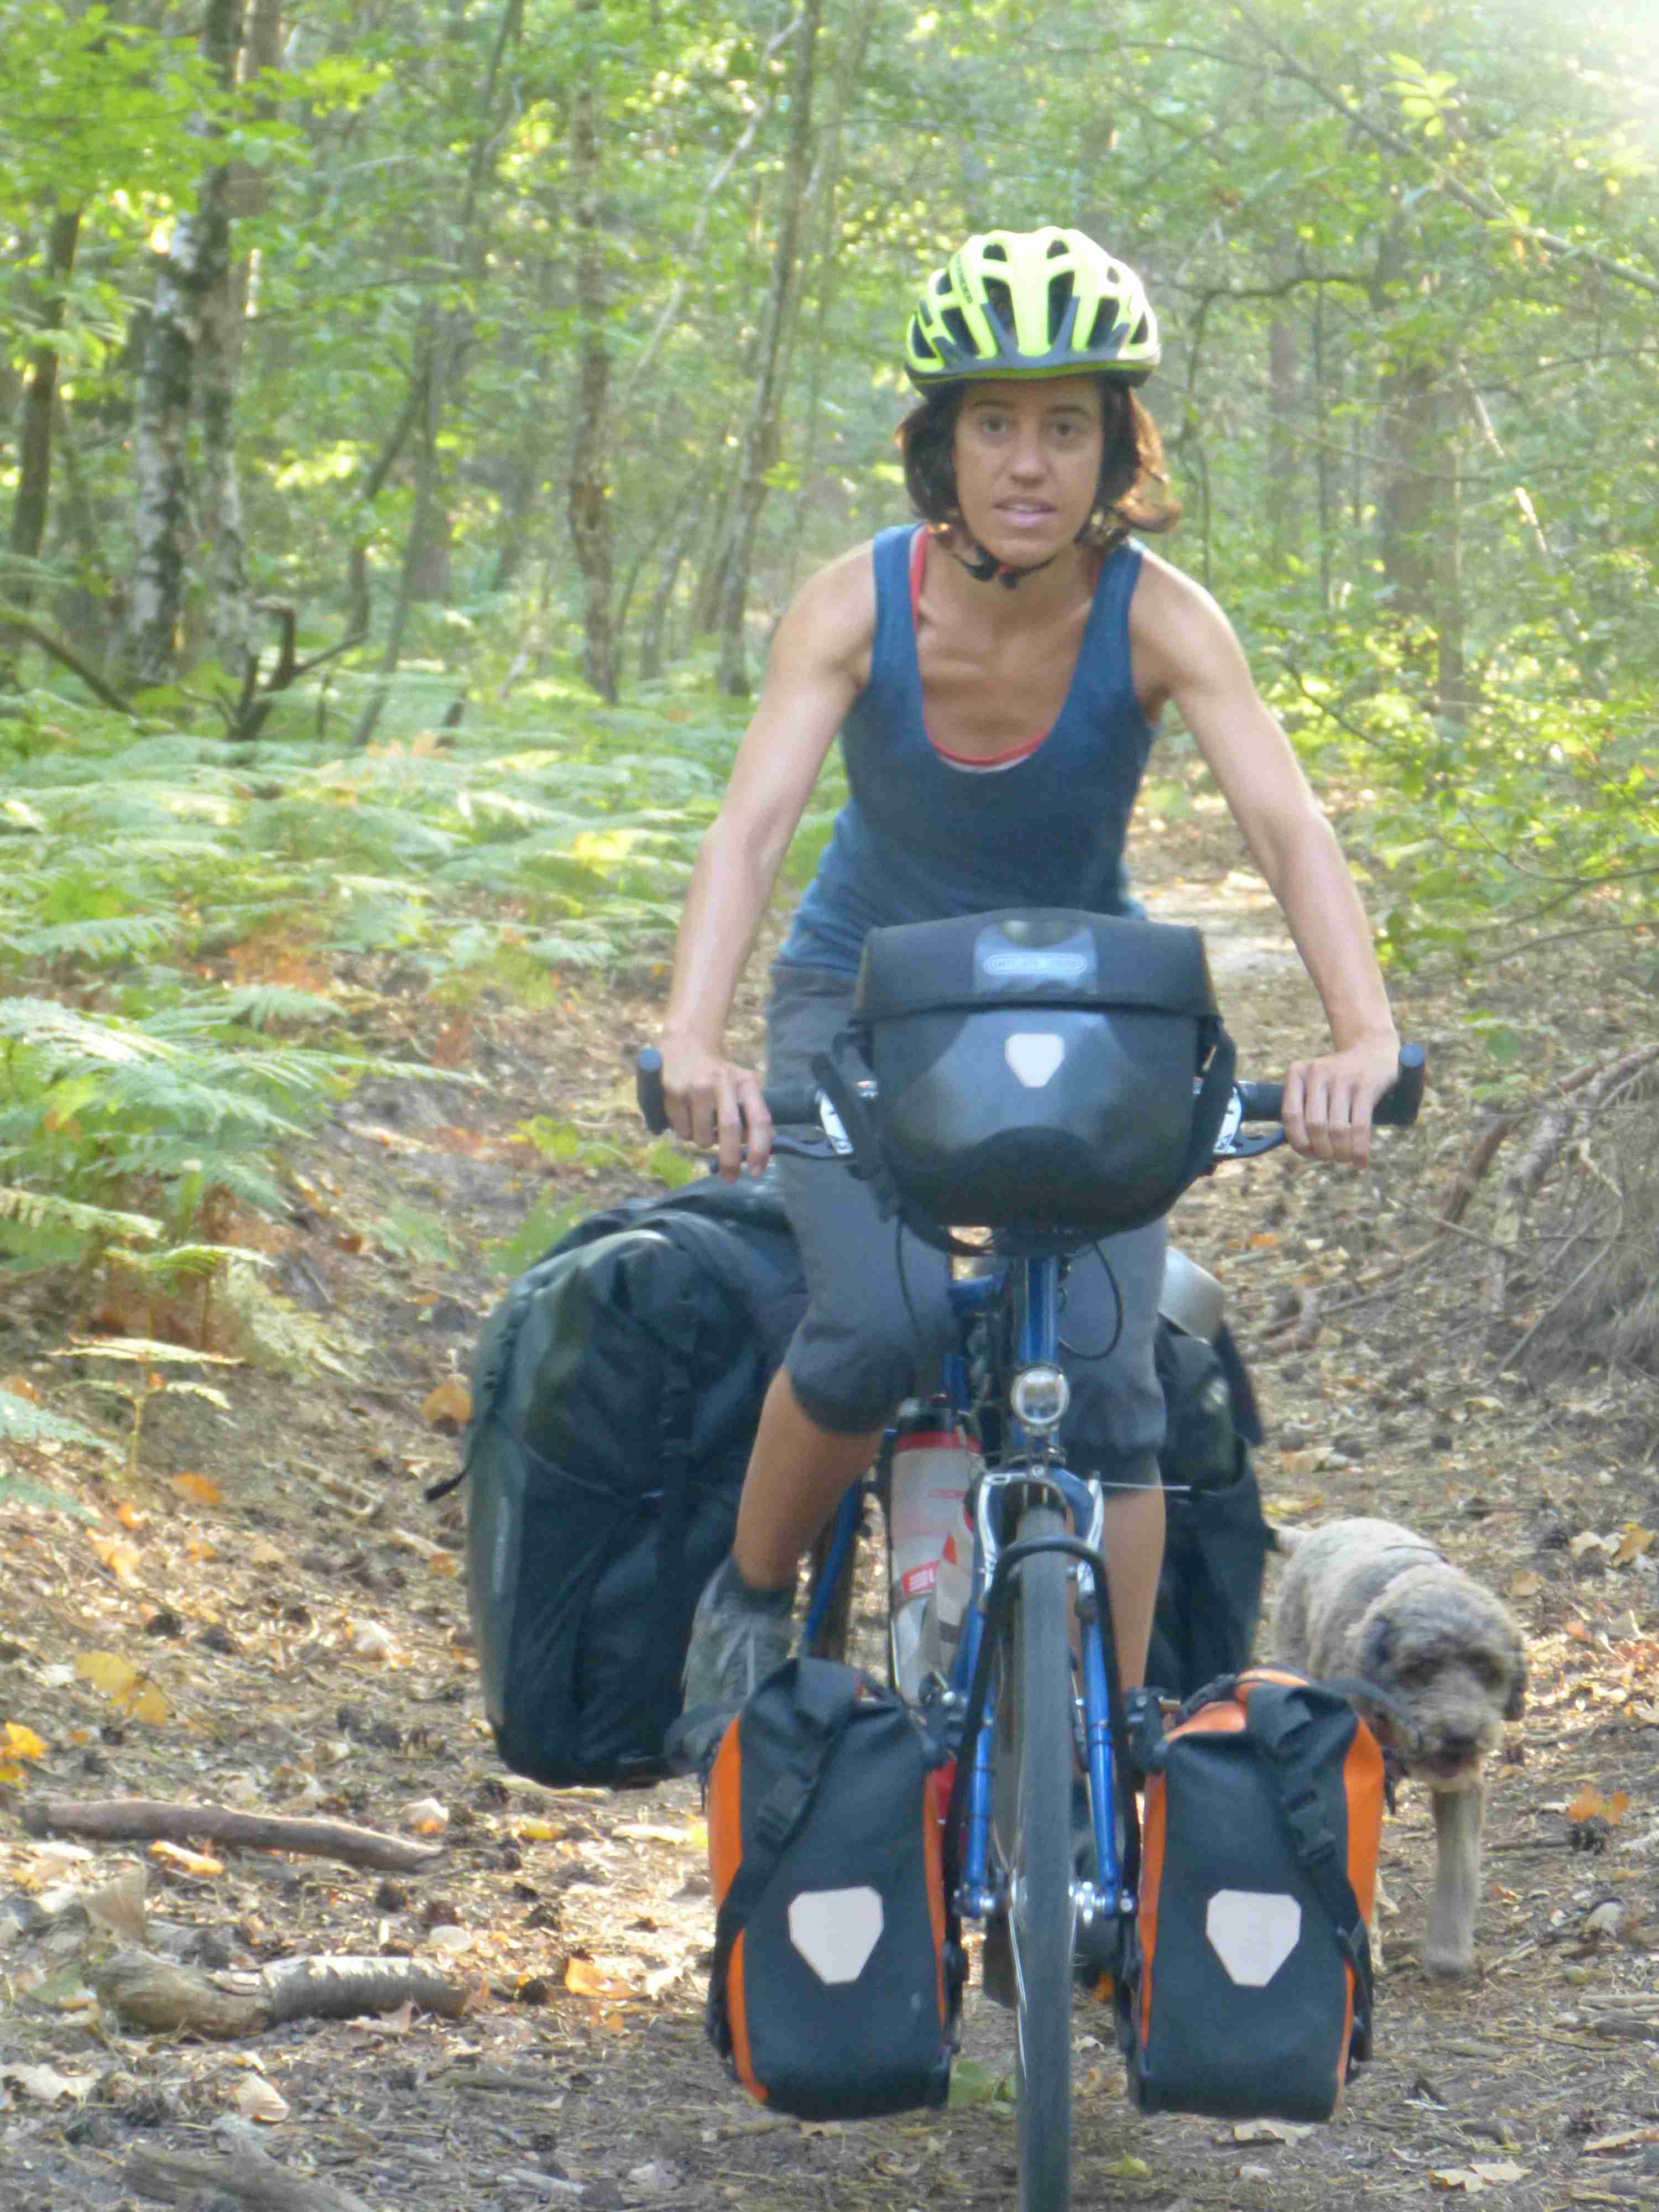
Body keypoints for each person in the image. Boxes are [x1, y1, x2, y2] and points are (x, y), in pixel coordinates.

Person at [655, 225, 1401, 1771]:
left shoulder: (1163, 615)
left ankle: (1105, 1753)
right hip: (862, 999)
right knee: (883, 1318)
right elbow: (750, 832)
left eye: (1068, 425)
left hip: (1086, 1009)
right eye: (996, 421)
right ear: (943, 442)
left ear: (1115, 448)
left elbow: (1286, 826)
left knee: (1115, 1389)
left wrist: (1363, 1033)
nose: (1029, 460)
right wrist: (695, 1036)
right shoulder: (855, 607)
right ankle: (746, 1597)